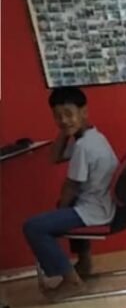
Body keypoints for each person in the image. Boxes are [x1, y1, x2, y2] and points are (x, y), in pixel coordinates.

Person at [22, 86, 118, 297]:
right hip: (100, 203)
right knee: (66, 206)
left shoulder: (84, 146)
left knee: (34, 227)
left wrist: (60, 213)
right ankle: (84, 263)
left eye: (68, 114)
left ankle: (71, 281)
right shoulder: (92, 136)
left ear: (84, 112)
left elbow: (71, 186)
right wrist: (65, 131)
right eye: (58, 116)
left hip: (94, 209)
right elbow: (54, 157)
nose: (63, 120)